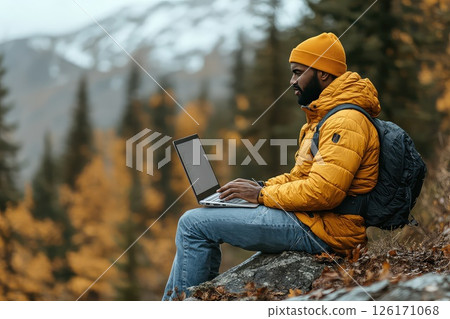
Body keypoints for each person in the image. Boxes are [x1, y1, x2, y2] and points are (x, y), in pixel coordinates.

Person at [162, 32, 380, 300]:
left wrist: (262, 196)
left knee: (193, 225)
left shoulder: (345, 121)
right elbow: (300, 176)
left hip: (326, 231)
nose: (292, 81)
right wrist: (260, 187)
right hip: (314, 221)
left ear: (323, 74)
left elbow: (324, 192)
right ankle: (192, 301)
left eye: (298, 72)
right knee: (201, 219)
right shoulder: (324, 117)